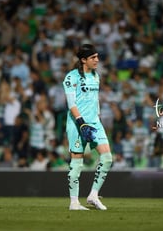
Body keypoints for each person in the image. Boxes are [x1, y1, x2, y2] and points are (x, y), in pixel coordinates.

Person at [63, 44, 113, 211]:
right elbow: (71, 104)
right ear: (83, 60)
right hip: (77, 124)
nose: (97, 60)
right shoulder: (71, 78)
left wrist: (96, 119)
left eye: (97, 57)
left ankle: (93, 195)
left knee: (107, 158)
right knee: (77, 163)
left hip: (94, 123)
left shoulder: (96, 76)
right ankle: (74, 203)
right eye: (93, 57)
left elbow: (95, 99)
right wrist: (81, 122)